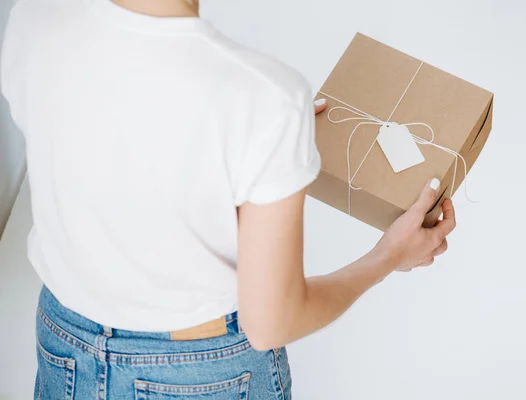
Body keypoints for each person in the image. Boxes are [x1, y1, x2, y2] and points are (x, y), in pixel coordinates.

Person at [1, 0, 455, 398]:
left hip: (63, 343)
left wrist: (264, 148)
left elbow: (102, 131)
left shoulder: (33, 19)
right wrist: (389, 254)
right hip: (201, 373)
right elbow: (272, 323)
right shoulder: (262, 94)